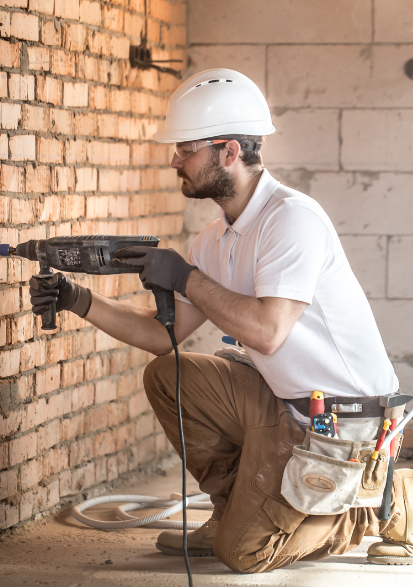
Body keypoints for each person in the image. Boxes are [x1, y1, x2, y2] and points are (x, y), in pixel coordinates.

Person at [29, 69, 413, 572]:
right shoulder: (214, 239)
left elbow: (267, 333)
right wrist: (77, 299)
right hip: (282, 401)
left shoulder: (291, 220)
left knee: (245, 554)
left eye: (185, 149)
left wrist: (185, 279)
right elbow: (158, 338)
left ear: (228, 152)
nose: (174, 161)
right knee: (169, 376)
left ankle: (377, 499)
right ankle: (233, 505)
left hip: (348, 421)